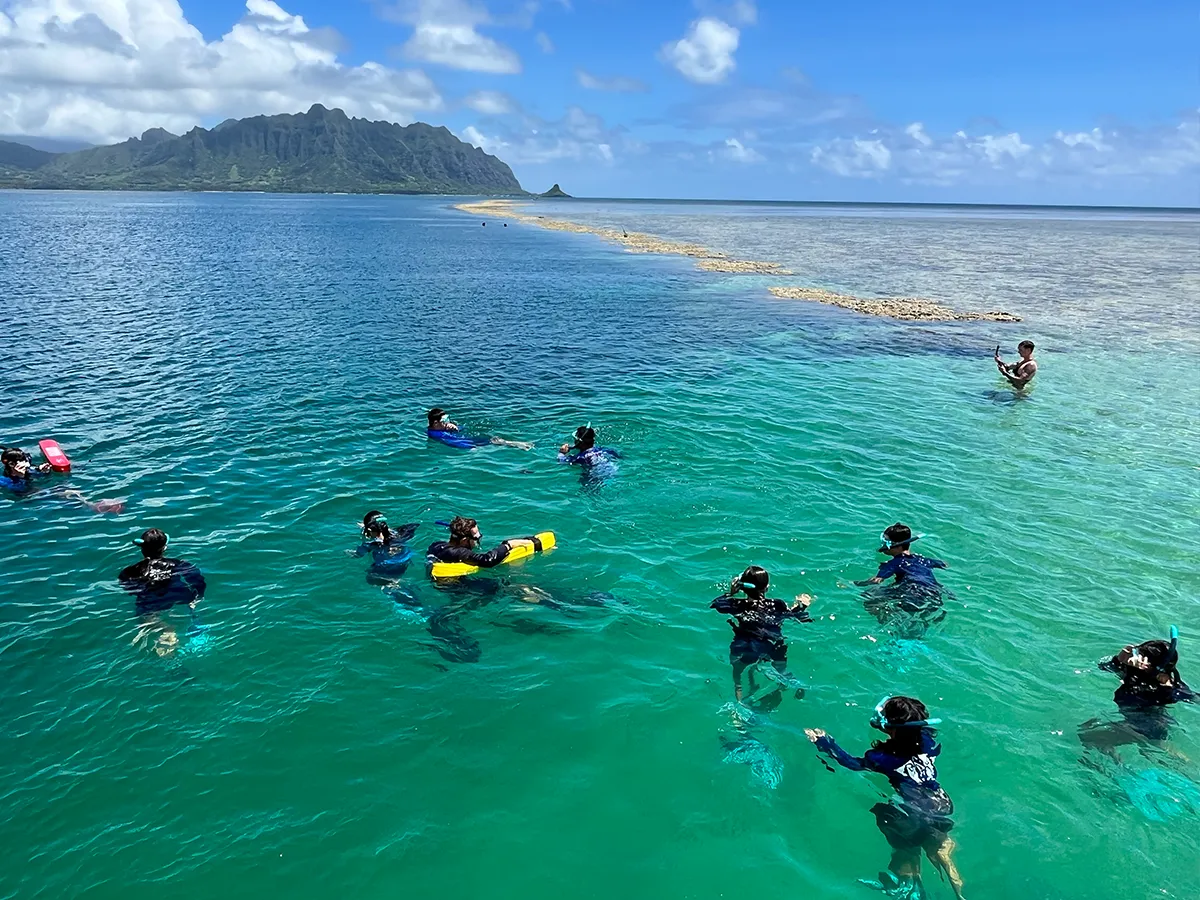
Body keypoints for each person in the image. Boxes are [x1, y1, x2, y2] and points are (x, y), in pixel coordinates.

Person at [807, 697, 965, 900]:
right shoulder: (927, 741)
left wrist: (824, 743)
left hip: (914, 812)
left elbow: (852, 764)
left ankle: (908, 879)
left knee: (888, 819)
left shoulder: (881, 758)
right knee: (931, 836)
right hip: (941, 804)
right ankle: (942, 851)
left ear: (894, 729)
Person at [1079, 626, 1193, 754]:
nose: (1135, 656)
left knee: (1088, 736)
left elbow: (1193, 698)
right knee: (1088, 734)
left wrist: (1167, 688)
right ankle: (1111, 758)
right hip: (1134, 722)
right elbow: (1104, 667)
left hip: (1148, 727)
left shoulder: (1169, 686)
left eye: (1140, 655)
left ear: (1150, 665)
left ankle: (1114, 768)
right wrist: (1119, 658)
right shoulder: (1133, 671)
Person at [710, 565, 813, 705]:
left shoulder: (735, 604)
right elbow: (798, 617)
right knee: (781, 671)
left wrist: (731, 593)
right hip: (773, 646)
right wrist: (802, 605)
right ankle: (791, 685)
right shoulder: (777, 604)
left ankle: (740, 706)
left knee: (738, 674)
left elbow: (715, 604)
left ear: (742, 587)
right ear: (767, 587)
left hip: (747, 646)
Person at [118, 529, 207, 656]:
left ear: (141, 548)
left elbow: (128, 588)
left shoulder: (130, 571)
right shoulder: (177, 564)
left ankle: (167, 630)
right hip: (178, 596)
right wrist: (198, 597)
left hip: (151, 602)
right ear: (164, 548)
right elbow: (197, 580)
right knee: (191, 603)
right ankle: (195, 624)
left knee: (146, 615)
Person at [426, 516, 539, 570]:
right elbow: (488, 560)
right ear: (465, 540)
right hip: (457, 588)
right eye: (476, 538)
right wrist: (508, 545)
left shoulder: (436, 545)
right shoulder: (460, 552)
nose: (477, 542)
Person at [354, 511, 419, 584]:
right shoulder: (400, 533)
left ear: (370, 530)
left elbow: (358, 554)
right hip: (405, 560)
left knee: (370, 578)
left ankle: (393, 582)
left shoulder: (372, 544)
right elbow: (413, 526)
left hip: (388, 567)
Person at [425, 408, 532, 451]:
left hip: (467, 439)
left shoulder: (439, 428)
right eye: (445, 420)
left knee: (495, 440)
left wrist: (455, 428)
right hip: (468, 443)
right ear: (435, 422)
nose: (447, 422)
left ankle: (518, 445)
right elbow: (451, 442)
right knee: (494, 441)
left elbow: (460, 430)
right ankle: (519, 445)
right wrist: (471, 448)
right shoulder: (437, 435)